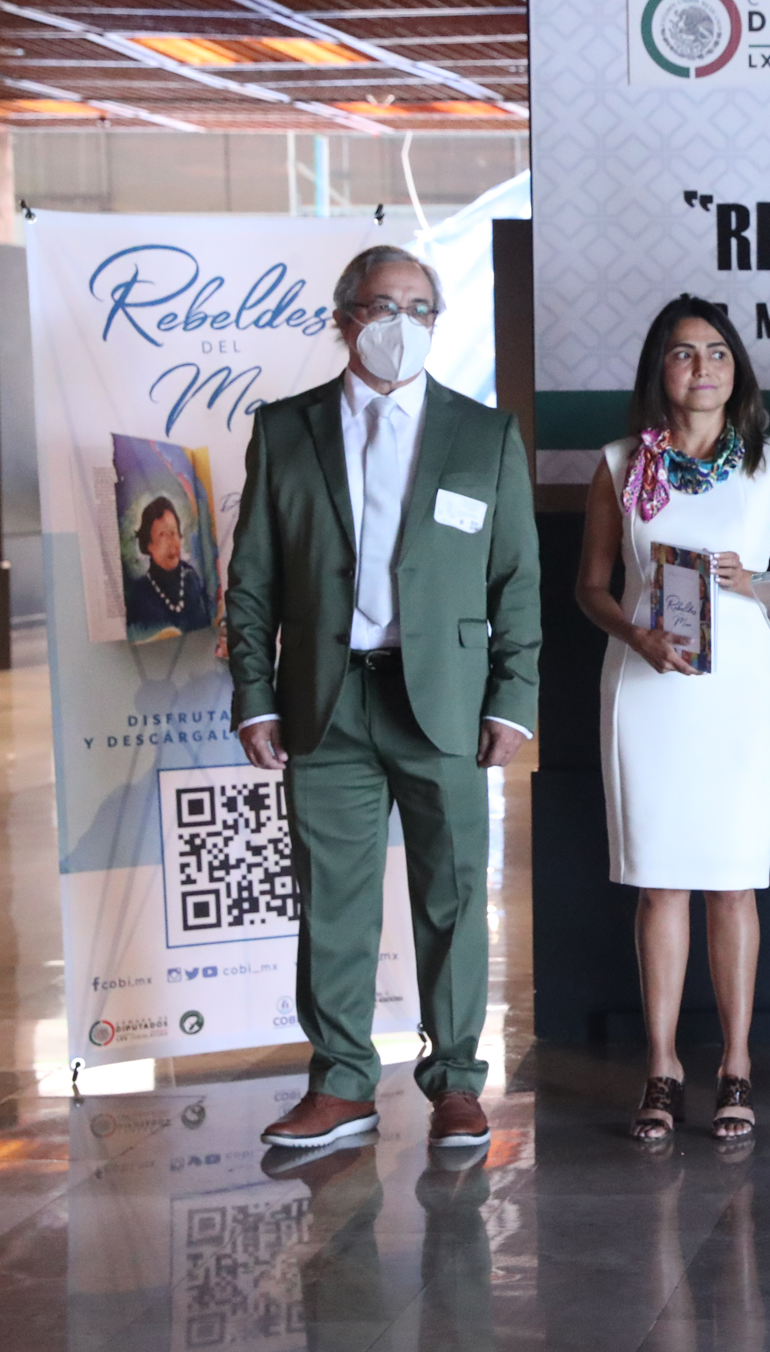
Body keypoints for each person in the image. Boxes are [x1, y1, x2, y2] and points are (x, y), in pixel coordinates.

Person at [226, 243, 540, 1154]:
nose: (402, 323)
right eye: (382, 305)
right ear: (345, 319)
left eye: (420, 307)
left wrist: (512, 697)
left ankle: (456, 1081)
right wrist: (254, 695)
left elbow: (516, 579)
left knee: (453, 898)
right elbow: (251, 580)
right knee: (333, 902)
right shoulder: (284, 430)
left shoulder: (484, 436)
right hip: (325, 702)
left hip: (443, 702)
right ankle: (341, 1084)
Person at [575, 295, 770, 1145]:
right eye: (683, 352)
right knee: (660, 880)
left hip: (740, 693)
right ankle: (662, 1067)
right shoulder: (620, 464)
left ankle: (736, 1064)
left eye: (717, 351)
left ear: (736, 368)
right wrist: (636, 632)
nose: (703, 366)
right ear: (660, 369)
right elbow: (591, 587)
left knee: (733, 880)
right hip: (649, 687)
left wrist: (757, 581)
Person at [126, 497, 214, 635]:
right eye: (162, 535)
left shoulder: (192, 579)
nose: (171, 542)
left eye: (173, 533)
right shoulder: (139, 594)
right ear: (148, 544)